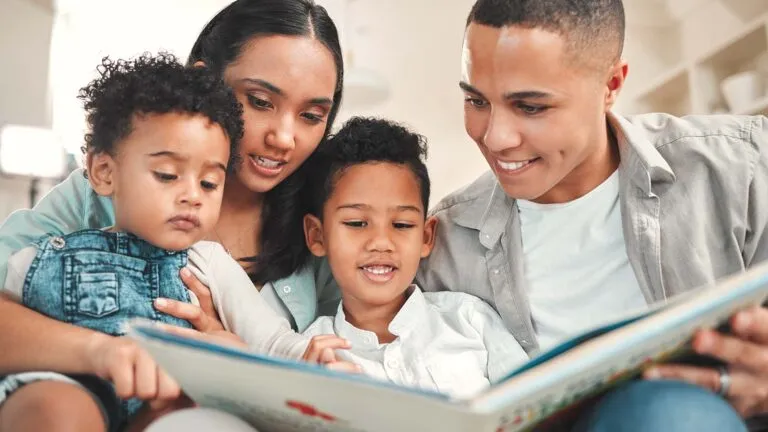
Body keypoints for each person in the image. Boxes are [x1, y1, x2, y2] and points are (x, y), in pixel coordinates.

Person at [416, 0, 767, 430]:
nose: (496, 137)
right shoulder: (440, 246)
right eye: (476, 100)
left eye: (530, 106)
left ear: (611, 84)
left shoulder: (742, 171)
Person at [0, 0, 347, 430]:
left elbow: (304, 362)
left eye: (312, 115)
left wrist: (230, 357)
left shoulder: (329, 222)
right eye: (260, 101)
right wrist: (101, 351)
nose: (284, 138)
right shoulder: (98, 191)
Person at [300, 117, 528, 398]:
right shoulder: (311, 355)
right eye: (357, 223)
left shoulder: (469, 320)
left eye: (402, 225)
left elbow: (534, 407)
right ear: (317, 236)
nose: (381, 242)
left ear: (426, 237)